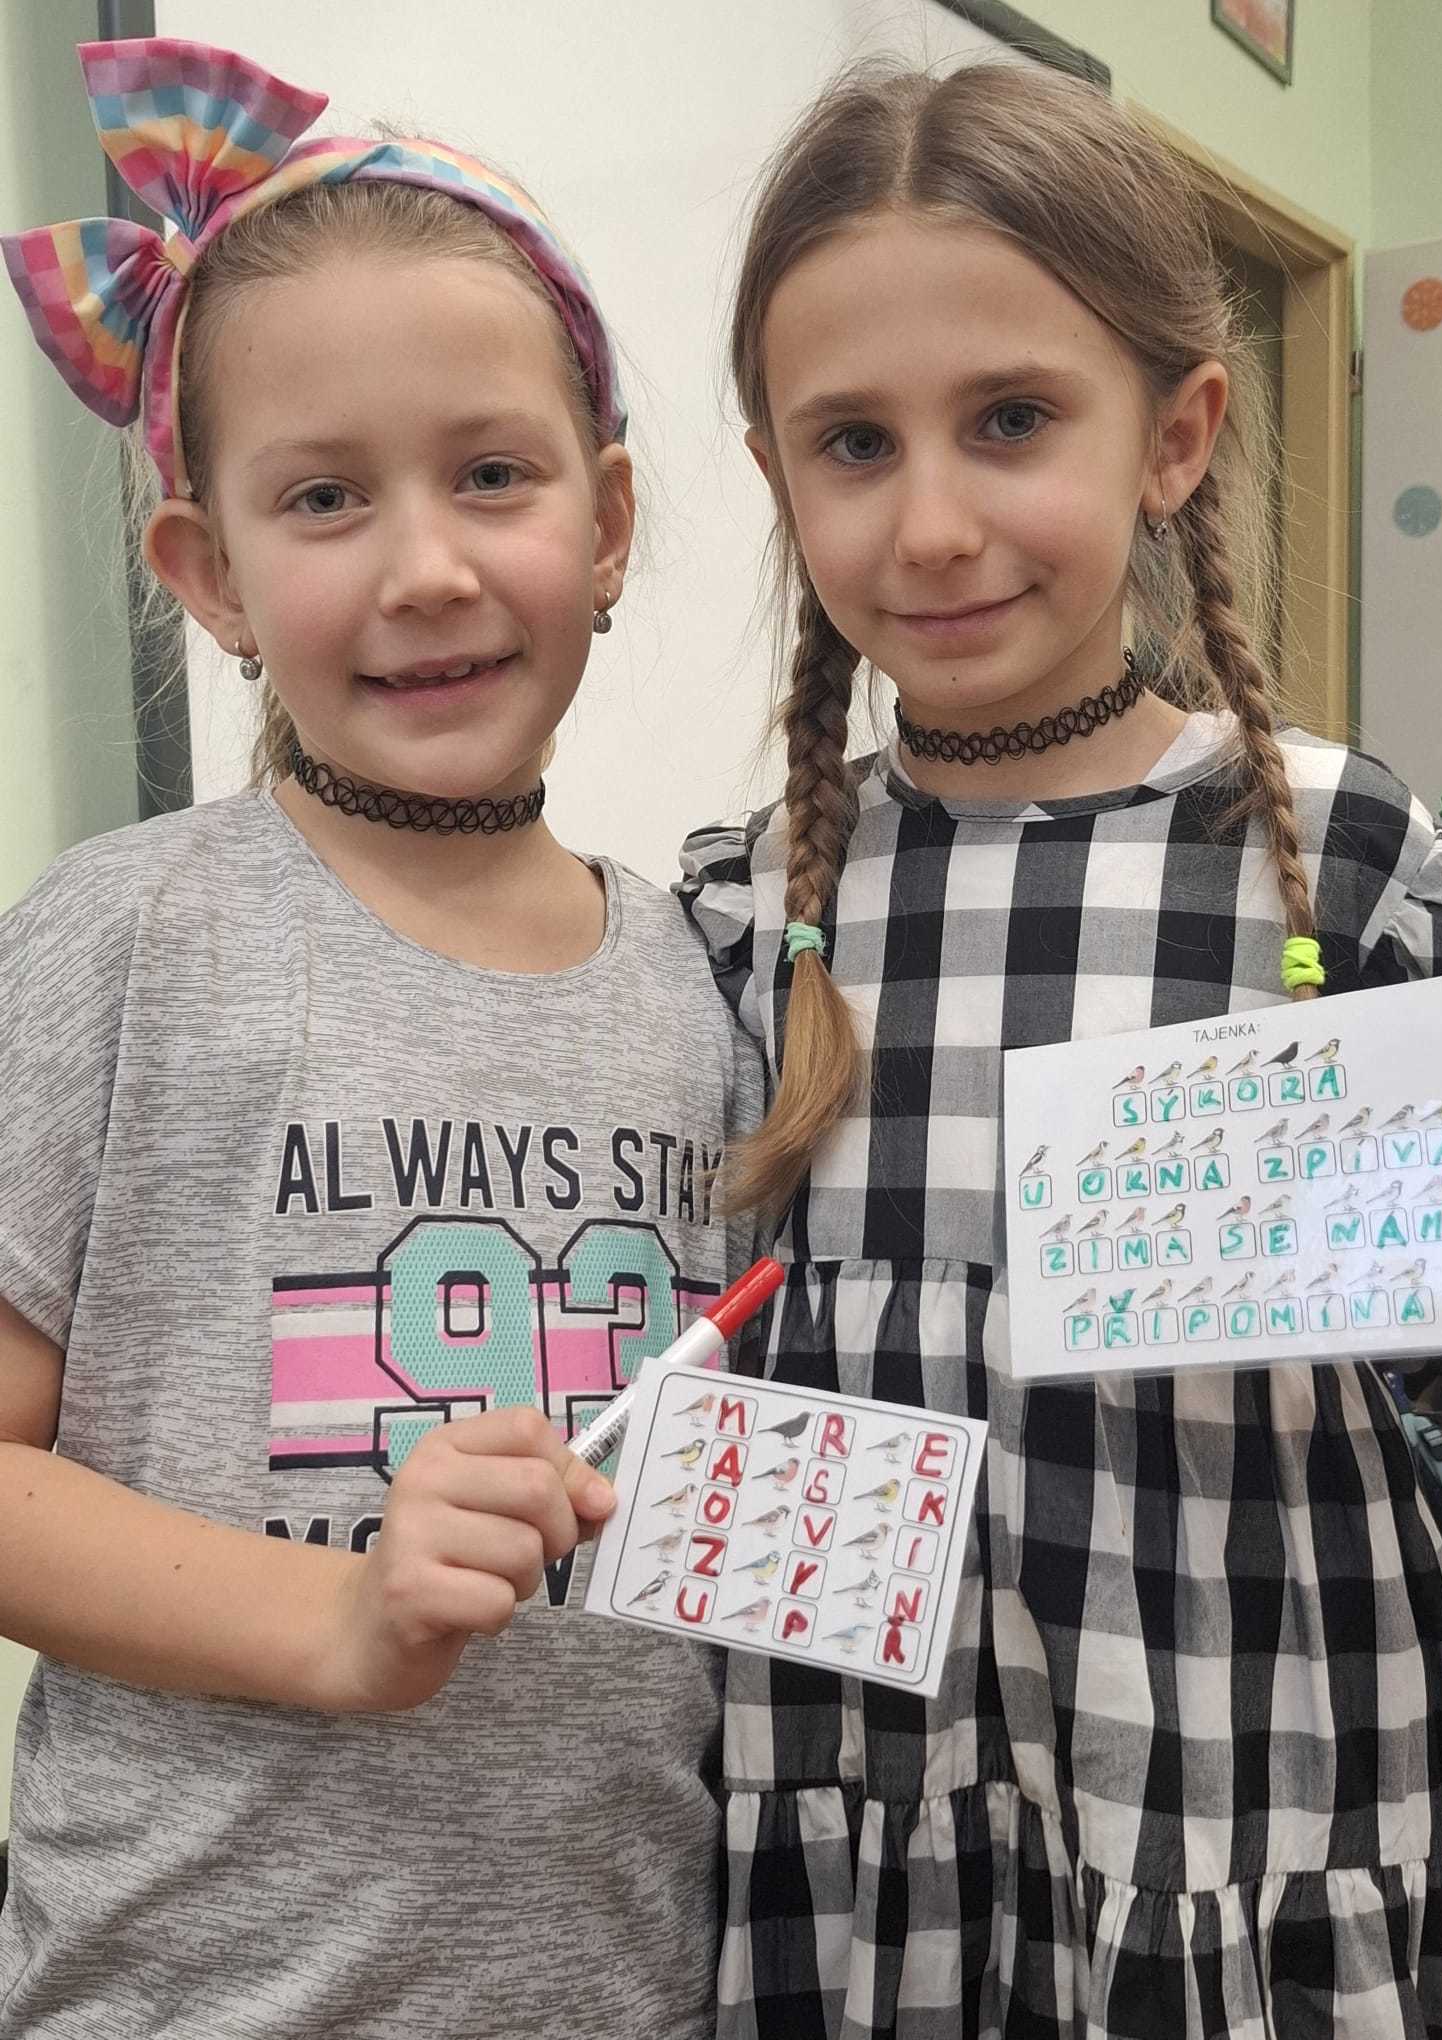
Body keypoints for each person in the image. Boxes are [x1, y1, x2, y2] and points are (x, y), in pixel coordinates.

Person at [679, 58, 1442, 2036]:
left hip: (1252, 1779)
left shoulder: (1352, 865)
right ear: (778, 475)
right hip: (864, 1792)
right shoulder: (743, 907)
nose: (933, 523)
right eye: (854, 443)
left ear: (1176, 433)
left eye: (1010, 420)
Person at [0, 38, 756, 2040]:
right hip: (186, 1998)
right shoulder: (123, 935)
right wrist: (334, 1616)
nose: (427, 569)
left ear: (606, 521)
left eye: (492, 475)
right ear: (210, 574)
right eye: (325, 497)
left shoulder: (709, 981)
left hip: (624, 1994)